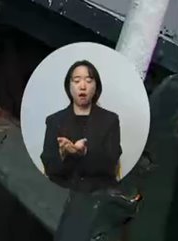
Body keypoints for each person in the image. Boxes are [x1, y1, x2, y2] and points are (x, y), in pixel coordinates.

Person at [41, 60, 122, 192]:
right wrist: (62, 154)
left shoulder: (111, 120)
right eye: (77, 81)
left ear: (96, 87)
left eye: (89, 81)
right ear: (69, 86)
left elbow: (111, 163)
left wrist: (84, 153)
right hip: (60, 192)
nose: (82, 86)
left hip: (98, 194)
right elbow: (49, 167)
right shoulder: (54, 120)